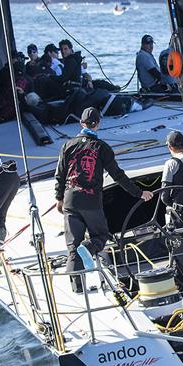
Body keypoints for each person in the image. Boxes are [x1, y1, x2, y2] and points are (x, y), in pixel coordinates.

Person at [55, 107, 154, 292]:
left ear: (80, 123)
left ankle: (77, 288)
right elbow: (118, 175)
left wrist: (59, 198)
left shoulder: (67, 145)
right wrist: (139, 193)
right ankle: (88, 247)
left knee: (72, 246)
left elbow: (60, 174)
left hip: (70, 200)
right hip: (91, 201)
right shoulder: (102, 148)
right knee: (100, 236)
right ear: (98, 124)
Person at [160, 130, 183, 219]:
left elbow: (164, 195)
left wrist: (173, 205)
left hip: (181, 210)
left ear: (170, 147)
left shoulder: (170, 164)